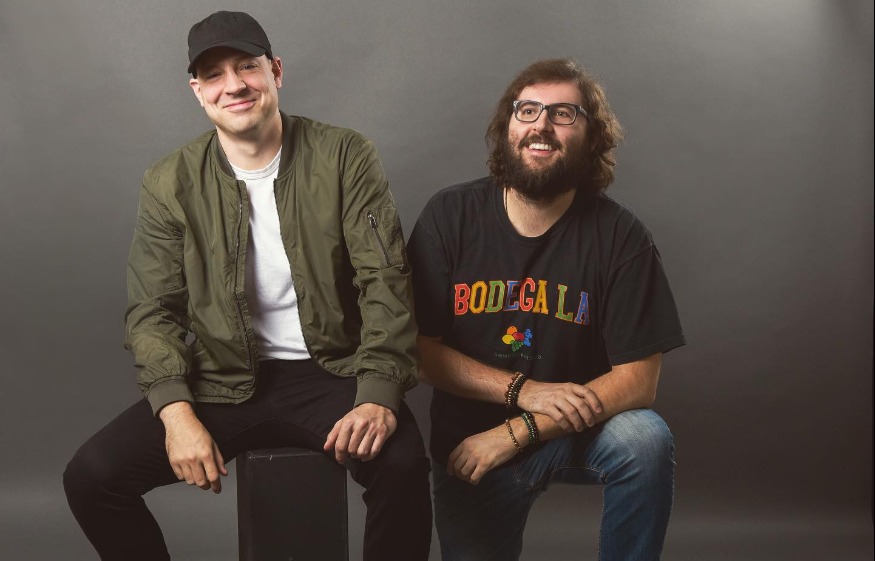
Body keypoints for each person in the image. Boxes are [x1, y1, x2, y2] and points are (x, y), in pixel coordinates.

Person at [63, 11, 431, 561]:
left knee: (402, 468)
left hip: (333, 370)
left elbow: (385, 281)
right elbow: (152, 311)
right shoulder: (169, 182)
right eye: (214, 75)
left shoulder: (344, 155)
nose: (233, 85)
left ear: (275, 71)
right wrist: (175, 412)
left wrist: (379, 394)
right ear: (197, 91)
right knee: (91, 478)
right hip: (221, 377)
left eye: (247, 67)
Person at [407, 58, 686, 561]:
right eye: (528, 110)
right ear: (508, 125)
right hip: (473, 448)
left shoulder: (621, 236)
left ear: (591, 135)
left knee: (645, 440)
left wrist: (520, 428)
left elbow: (638, 381)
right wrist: (524, 391)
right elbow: (419, 351)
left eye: (563, 114)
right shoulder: (449, 216)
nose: (541, 125)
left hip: (574, 432)